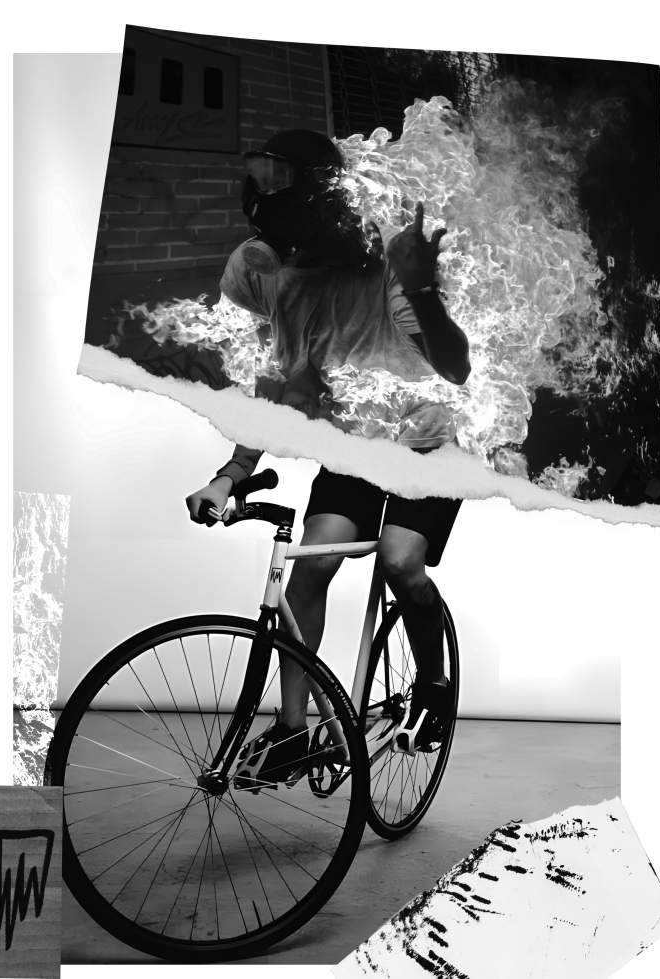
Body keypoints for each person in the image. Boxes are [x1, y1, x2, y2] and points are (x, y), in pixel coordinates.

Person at [186, 129, 471, 781]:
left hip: (428, 442)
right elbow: (271, 387)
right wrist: (231, 473)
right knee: (309, 567)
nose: (280, 253)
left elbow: (455, 368)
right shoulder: (262, 273)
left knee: (400, 559)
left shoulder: (386, 264)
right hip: (354, 448)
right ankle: (293, 731)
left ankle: (433, 687)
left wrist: (423, 289)